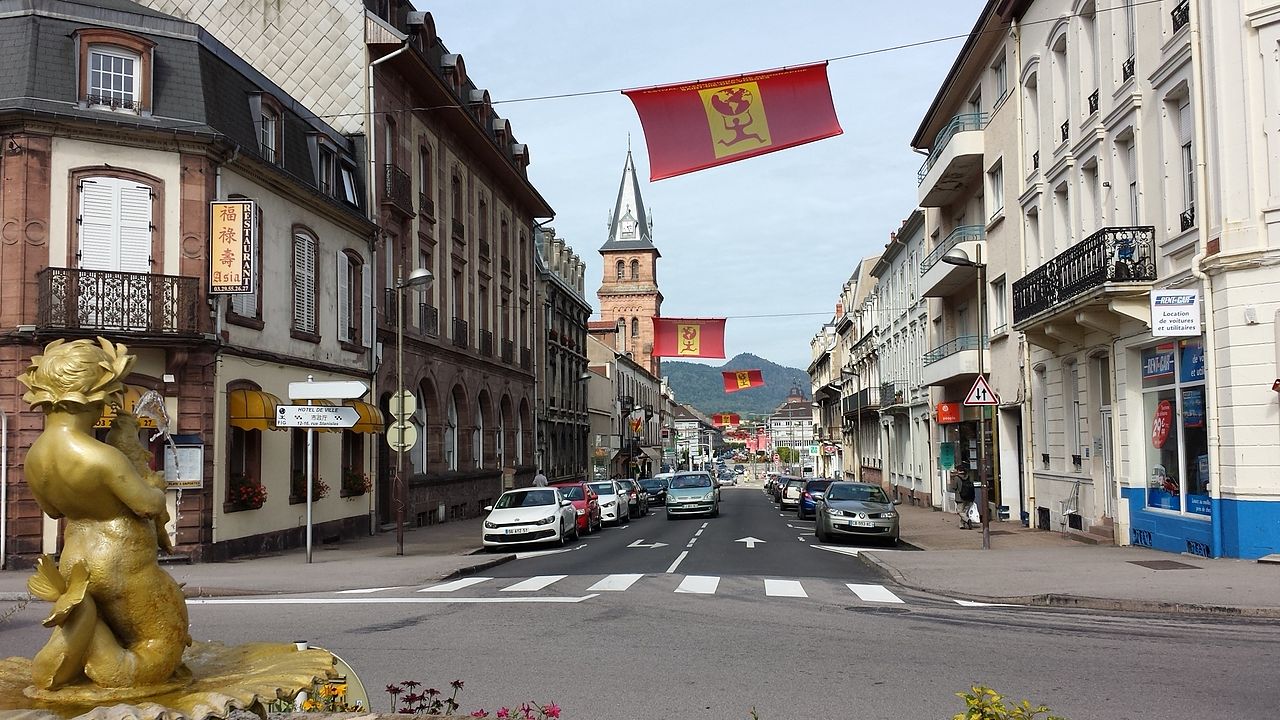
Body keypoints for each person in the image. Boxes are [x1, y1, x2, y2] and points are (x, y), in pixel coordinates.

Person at [953, 462, 977, 529]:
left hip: (960, 497)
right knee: (964, 511)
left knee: (959, 511)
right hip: (969, 497)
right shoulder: (968, 477)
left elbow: (954, 487)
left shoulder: (957, 478)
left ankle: (967, 520)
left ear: (958, 470)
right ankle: (962, 525)